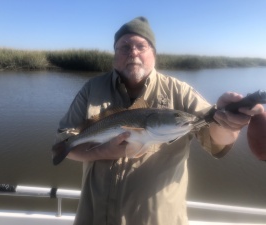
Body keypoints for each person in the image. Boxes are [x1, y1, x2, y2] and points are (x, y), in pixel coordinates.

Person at [53, 17, 264, 225]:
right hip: (94, 218)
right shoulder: (91, 89)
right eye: (124, 47)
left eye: (141, 46)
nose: (132, 52)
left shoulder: (179, 91)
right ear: (115, 55)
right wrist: (102, 152)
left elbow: (214, 136)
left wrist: (228, 122)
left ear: (153, 54)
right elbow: (65, 143)